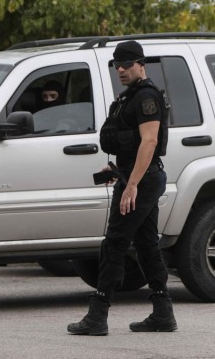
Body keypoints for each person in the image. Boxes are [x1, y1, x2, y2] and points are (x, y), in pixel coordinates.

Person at [68, 40, 177, 336]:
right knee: (145, 244)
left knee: (115, 242)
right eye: (117, 64)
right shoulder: (129, 97)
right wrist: (120, 171)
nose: (121, 69)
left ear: (141, 63)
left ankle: (97, 315)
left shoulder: (146, 98)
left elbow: (150, 142)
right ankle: (163, 312)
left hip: (141, 182)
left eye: (127, 64)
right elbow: (131, 144)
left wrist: (131, 185)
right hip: (136, 177)